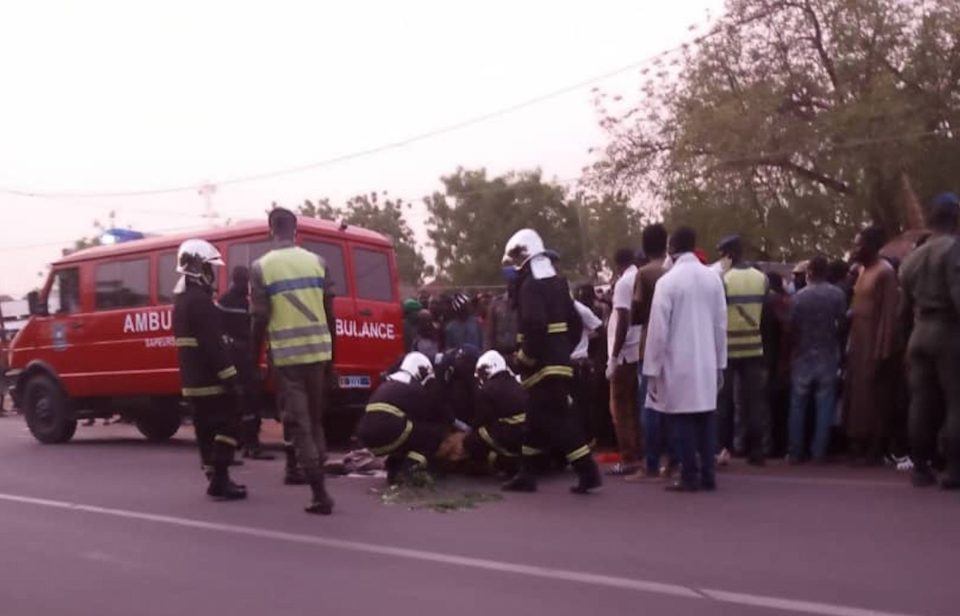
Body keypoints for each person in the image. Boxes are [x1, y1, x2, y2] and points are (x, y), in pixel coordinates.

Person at [501, 228, 601, 494]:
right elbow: (574, 322)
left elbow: (534, 326)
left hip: (541, 366)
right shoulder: (558, 283)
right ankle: (527, 474)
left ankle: (588, 472)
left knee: (562, 422)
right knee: (534, 423)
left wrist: (524, 357)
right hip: (556, 363)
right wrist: (562, 351)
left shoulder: (530, 286)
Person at [251, 207, 336, 515]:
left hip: (288, 360)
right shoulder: (318, 262)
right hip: (318, 354)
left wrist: (253, 360)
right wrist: (333, 362)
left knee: (300, 426)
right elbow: (331, 316)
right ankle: (320, 484)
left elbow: (259, 319)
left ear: (271, 229)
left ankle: (319, 494)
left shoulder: (261, 267)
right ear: (296, 229)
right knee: (315, 422)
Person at [643, 226, 727, 492]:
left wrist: (652, 368)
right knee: (705, 418)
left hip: (677, 362)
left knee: (681, 421)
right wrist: (720, 363)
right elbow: (720, 325)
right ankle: (708, 476)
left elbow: (658, 331)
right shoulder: (712, 279)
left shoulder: (668, 282)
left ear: (672, 247)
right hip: (706, 359)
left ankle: (689, 475)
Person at [172, 239, 246, 501]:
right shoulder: (201, 302)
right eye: (209, 268)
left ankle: (213, 476)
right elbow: (214, 346)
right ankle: (221, 478)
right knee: (230, 422)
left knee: (204, 430)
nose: (212, 274)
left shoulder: (180, 302)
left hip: (191, 382)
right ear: (198, 268)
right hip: (211, 381)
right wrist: (232, 379)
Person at [899, 193, 960, 489]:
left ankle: (920, 467)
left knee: (921, 402)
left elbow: (902, 309)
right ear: (956, 216)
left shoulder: (913, 257)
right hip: (948, 331)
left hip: (918, 333)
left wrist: (903, 344)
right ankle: (953, 469)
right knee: (955, 402)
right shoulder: (953, 249)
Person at [845, 225, 899, 465]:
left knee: (874, 397)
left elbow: (889, 314)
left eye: (859, 244)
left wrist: (883, 349)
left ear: (872, 246)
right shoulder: (862, 271)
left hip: (874, 342)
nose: (855, 249)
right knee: (857, 395)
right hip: (857, 341)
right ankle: (858, 442)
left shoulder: (885, 272)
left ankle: (875, 447)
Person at [355, 352, 451, 484]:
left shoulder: (388, 383)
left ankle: (394, 468)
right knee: (434, 434)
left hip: (368, 438)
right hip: (389, 430)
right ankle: (409, 468)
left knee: (411, 433)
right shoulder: (414, 388)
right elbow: (432, 414)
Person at [716, 235, 770, 466]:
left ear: (729, 254)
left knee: (724, 402)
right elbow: (765, 315)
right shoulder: (762, 278)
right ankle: (756, 450)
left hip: (728, 350)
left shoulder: (723, 279)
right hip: (754, 349)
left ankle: (723, 450)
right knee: (753, 402)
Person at [787, 256, 847, 463]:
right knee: (825, 405)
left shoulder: (799, 298)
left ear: (809, 272)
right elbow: (842, 324)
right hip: (828, 354)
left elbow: (791, 328)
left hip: (803, 354)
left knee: (798, 405)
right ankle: (818, 452)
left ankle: (795, 452)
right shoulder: (837, 295)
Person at [626, 224, 673, 481]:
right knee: (674, 406)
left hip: (648, 345)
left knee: (650, 405)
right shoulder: (672, 270)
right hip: (674, 346)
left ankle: (651, 464)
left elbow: (636, 313)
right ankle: (673, 461)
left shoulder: (644, 274)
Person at [217, 265, 275, 461]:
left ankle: (244, 444)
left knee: (243, 404)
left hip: (238, 359)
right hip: (240, 360)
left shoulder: (229, 301)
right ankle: (250, 445)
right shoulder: (237, 303)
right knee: (248, 403)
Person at [605, 248, 643, 475]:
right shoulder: (641, 277)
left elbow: (623, 320)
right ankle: (639, 452)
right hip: (639, 349)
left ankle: (629, 458)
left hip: (625, 353)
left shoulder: (624, 283)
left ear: (618, 264)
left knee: (620, 409)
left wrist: (613, 357)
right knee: (636, 408)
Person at [461, 350, 528, 473]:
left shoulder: (487, 389)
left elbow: (481, 419)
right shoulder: (515, 382)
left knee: (472, 440)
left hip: (511, 432)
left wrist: (468, 431)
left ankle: (500, 463)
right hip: (528, 431)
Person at [763, 271, 792, 457]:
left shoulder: (770, 302)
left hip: (771, 360)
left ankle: (772, 446)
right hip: (778, 360)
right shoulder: (783, 301)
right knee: (779, 406)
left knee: (770, 405)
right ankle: (778, 445)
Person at [571, 297, 603, 444]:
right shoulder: (551, 307)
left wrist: (584, 338)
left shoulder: (580, 309)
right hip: (562, 363)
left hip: (577, 363)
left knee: (581, 404)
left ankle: (587, 439)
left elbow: (599, 328)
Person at [484, 269, 520, 355]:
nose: (512, 286)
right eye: (510, 282)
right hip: (499, 352)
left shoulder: (524, 303)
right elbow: (490, 332)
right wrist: (487, 353)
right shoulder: (496, 303)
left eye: (515, 283)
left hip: (518, 353)